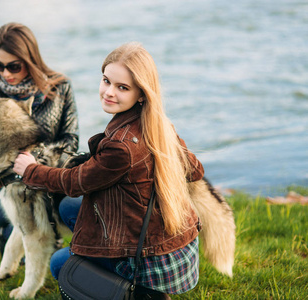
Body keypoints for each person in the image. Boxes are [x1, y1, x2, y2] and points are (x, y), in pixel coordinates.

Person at [13, 42, 204, 299]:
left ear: (141, 94)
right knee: (69, 207)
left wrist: (31, 170)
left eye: (122, 87)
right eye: (106, 81)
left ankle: (143, 293)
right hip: (176, 245)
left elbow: (74, 183)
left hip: (150, 260)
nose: (109, 92)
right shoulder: (159, 124)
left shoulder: (122, 147)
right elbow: (195, 170)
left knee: (61, 263)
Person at [0, 22, 79, 254]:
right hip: (1, 188)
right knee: (33, 231)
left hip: (49, 182)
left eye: (13, 66)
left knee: (48, 221)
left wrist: (37, 163)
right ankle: (13, 233)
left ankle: (18, 235)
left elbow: (71, 142)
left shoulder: (61, 87)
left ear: (30, 60)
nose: (5, 73)